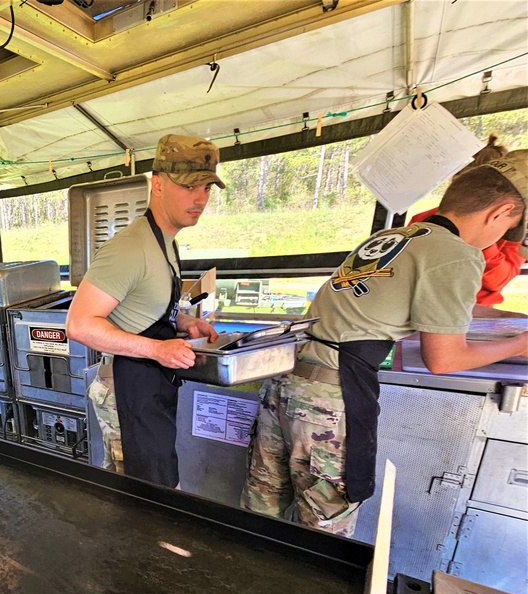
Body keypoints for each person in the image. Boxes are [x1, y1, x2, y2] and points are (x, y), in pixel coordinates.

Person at [241, 151, 528, 536]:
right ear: (500, 211)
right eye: (509, 226)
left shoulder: (392, 238)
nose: (502, 237)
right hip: (329, 401)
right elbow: (443, 359)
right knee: (324, 529)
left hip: (285, 382)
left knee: (260, 510)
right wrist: (520, 344)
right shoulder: (456, 254)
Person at [67, 134, 222, 488]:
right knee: (139, 499)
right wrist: (156, 349)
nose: (199, 198)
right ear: (158, 185)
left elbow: (145, 305)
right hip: (125, 388)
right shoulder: (129, 247)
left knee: (158, 486)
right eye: (189, 186)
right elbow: (78, 324)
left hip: (149, 384)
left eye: (207, 188)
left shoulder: (166, 242)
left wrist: (185, 323)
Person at [407, 135, 527, 318]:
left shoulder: (512, 227)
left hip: (479, 312)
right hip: (431, 309)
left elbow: (497, 282)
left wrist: (485, 243)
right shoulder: (425, 220)